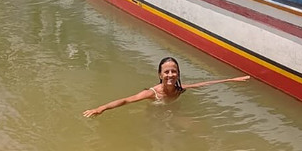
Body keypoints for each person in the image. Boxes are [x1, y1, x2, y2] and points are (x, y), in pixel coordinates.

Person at [82, 56, 250, 117]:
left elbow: (202, 84)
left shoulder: (179, 89)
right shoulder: (151, 93)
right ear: (160, 75)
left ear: (177, 74)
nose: (170, 75)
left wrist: (232, 80)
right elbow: (127, 100)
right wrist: (100, 108)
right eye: (167, 72)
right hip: (153, 113)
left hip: (170, 112)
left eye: (173, 71)